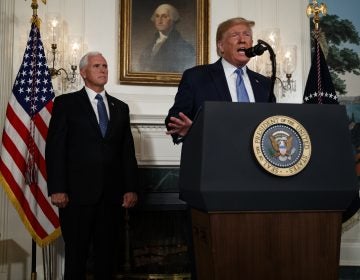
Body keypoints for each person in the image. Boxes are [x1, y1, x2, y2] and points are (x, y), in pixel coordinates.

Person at [45, 51, 138, 280]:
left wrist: (131, 187)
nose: (103, 70)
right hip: (76, 196)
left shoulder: (120, 107)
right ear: (84, 72)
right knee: (76, 257)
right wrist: (57, 188)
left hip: (111, 197)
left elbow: (127, 152)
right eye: (97, 66)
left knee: (107, 258)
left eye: (105, 66)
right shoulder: (66, 103)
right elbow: (56, 148)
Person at [165, 17, 271, 144]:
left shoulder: (264, 84)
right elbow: (175, 119)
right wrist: (192, 130)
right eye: (235, 35)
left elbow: (272, 124)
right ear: (221, 46)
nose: (242, 40)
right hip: (212, 158)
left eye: (246, 35)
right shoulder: (196, 77)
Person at [138, 3, 195, 73]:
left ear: (173, 20)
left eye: (164, 16)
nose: (159, 20)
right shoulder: (148, 48)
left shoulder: (185, 47)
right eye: (157, 16)